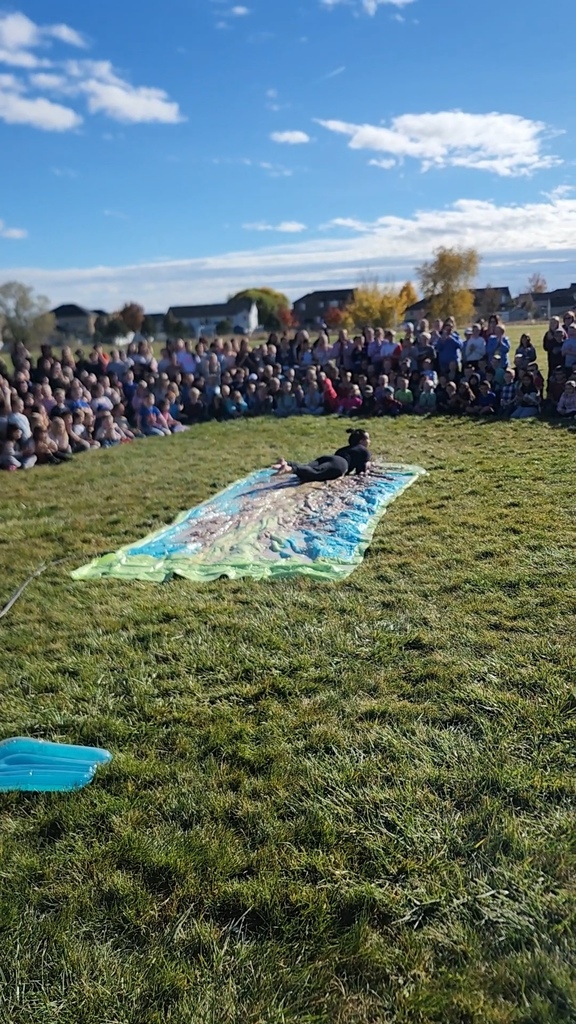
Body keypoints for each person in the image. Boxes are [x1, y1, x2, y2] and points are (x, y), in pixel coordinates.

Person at [273, 428, 372, 483]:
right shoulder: (364, 451)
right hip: (341, 464)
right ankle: (291, 469)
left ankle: (288, 463)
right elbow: (361, 471)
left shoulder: (344, 448)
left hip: (329, 458)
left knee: (309, 466)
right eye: (368, 439)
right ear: (361, 441)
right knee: (316, 473)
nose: (369, 441)